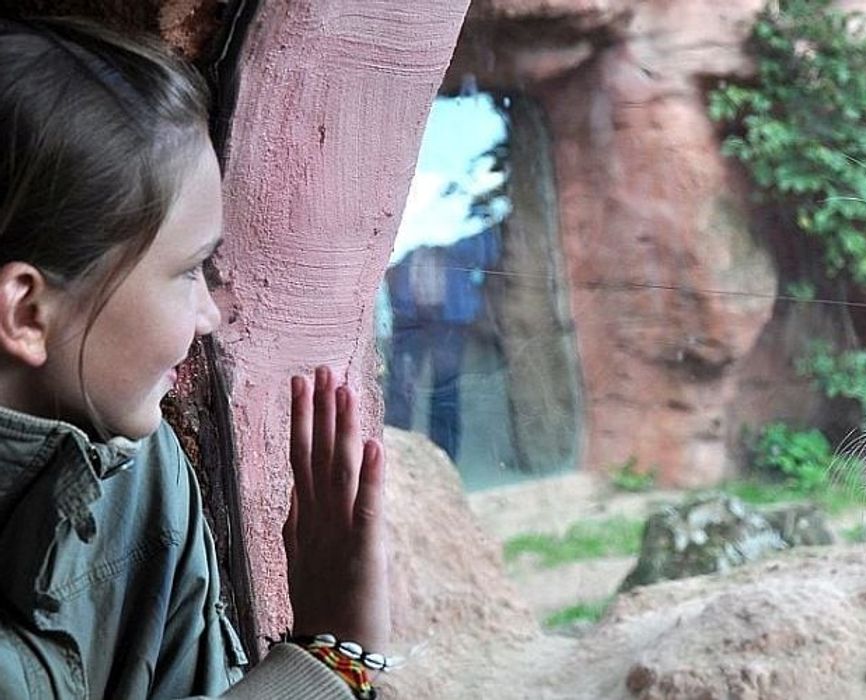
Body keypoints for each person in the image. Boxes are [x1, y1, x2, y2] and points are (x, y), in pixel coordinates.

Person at [0, 16, 388, 700]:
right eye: (188, 271)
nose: (210, 314)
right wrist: (333, 658)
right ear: (28, 313)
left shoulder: (134, 467)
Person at [384, 214, 499, 461]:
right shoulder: (418, 204)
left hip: (450, 318)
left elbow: (486, 253)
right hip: (408, 315)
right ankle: (393, 463)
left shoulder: (461, 209)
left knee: (445, 393)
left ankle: (444, 464)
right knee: (400, 391)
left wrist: (444, 231)